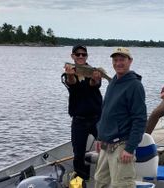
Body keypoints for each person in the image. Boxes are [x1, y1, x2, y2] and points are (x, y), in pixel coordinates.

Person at [94, 47, 147, 188]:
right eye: (115, 60)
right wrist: (100, 137)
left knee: (122, 185)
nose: (118, 63)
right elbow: (105, 111)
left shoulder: (135, 85)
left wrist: (130, 148)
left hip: (121, 144)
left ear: (130, 61)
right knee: (100, 181)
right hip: (106, 144)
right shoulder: (113, 82)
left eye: (122, 59)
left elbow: (140, 119)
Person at [61, 44, 102, 180]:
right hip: (78, 120)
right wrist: (71, 75)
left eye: (83, 54)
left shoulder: (93, 71)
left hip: (97, 118)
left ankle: (105, 178)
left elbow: (93, 84)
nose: (80, 56)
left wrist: (96, 79)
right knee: (78, 154)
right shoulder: (67, 74)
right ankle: (81, 180)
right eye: (77, 54)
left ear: (86, 56)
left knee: (106, 148)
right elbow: (71, 83)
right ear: (72, 56)